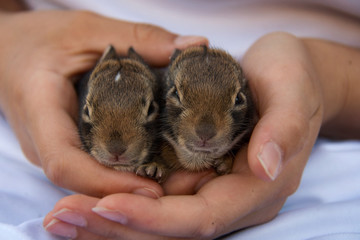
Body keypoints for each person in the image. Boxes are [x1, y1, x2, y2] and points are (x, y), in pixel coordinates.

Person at [0, 0, 359, 239]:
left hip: (319, 163)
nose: (203, 131)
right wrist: (10, 39)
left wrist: (330, 84)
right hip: (26, 121)